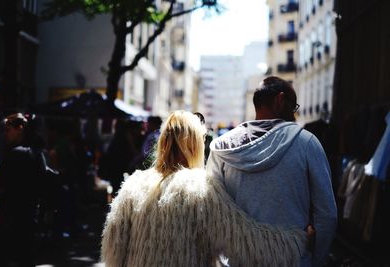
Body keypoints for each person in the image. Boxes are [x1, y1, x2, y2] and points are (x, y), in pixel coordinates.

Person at [101, 110, 306, 267]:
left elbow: (113, 250)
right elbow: (246, 242)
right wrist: (298, 239)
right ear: (194, 145)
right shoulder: (202, 189)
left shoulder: (132, 186)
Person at [206, 76, 337, 267]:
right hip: (293, 260)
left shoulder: (223, 148)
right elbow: (327, 215)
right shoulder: (307, 143)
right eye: (294, 107)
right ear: (280, 100)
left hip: (238, 261)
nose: (295, 114)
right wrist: (316, 259)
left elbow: (212, 209)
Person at [0, 113, 48, 266]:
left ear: (20, 129)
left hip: (13, 218)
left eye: (8, 130)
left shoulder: (17, 154)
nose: (5, 134)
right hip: (30, 218)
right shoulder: (38, 153)